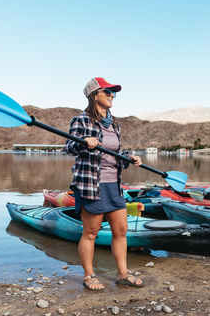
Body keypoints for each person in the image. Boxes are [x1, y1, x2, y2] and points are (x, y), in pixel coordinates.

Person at [65, 77, 144, 291]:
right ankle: (89, 276)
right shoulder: (81, 120)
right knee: (90, 232)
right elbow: (69, 147)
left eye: (113, 92)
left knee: (121, 230)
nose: (111, 95)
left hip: (114, 185)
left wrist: (129, 157)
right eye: (107, 91)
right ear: (94, 95)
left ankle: (122, 274)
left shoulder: (114, 123)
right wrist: (85, 144)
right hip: (91, 184)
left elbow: (115, 153)